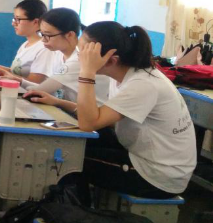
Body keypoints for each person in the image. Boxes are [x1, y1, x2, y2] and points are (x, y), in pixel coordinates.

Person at [25, 22, 197, 205]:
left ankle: (76, 215)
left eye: (86, 54)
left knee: (68, 161)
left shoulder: (142, 85)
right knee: (69, 144)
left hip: (158, 175)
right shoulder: (124, 75)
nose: (80, 57)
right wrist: (58, 102)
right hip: (139, 153)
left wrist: (87, 72)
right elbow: (102, 117)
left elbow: (88, 124)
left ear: (111, 60)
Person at [10, 7, 109, 102]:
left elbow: (39, 90)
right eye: (42, 34)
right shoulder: (57, 54)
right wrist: (19, 81)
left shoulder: (78, 59)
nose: (43, 40)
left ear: (70, 35)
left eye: (48, 35)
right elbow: (45, 90)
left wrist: (15, 82)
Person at [0, 0, 52, 84]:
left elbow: (35, 82)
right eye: (14, 19)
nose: (13, 23)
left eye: (18, 19)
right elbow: (14, 72)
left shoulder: (44, 48)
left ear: (36, 22)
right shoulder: (26, 44)